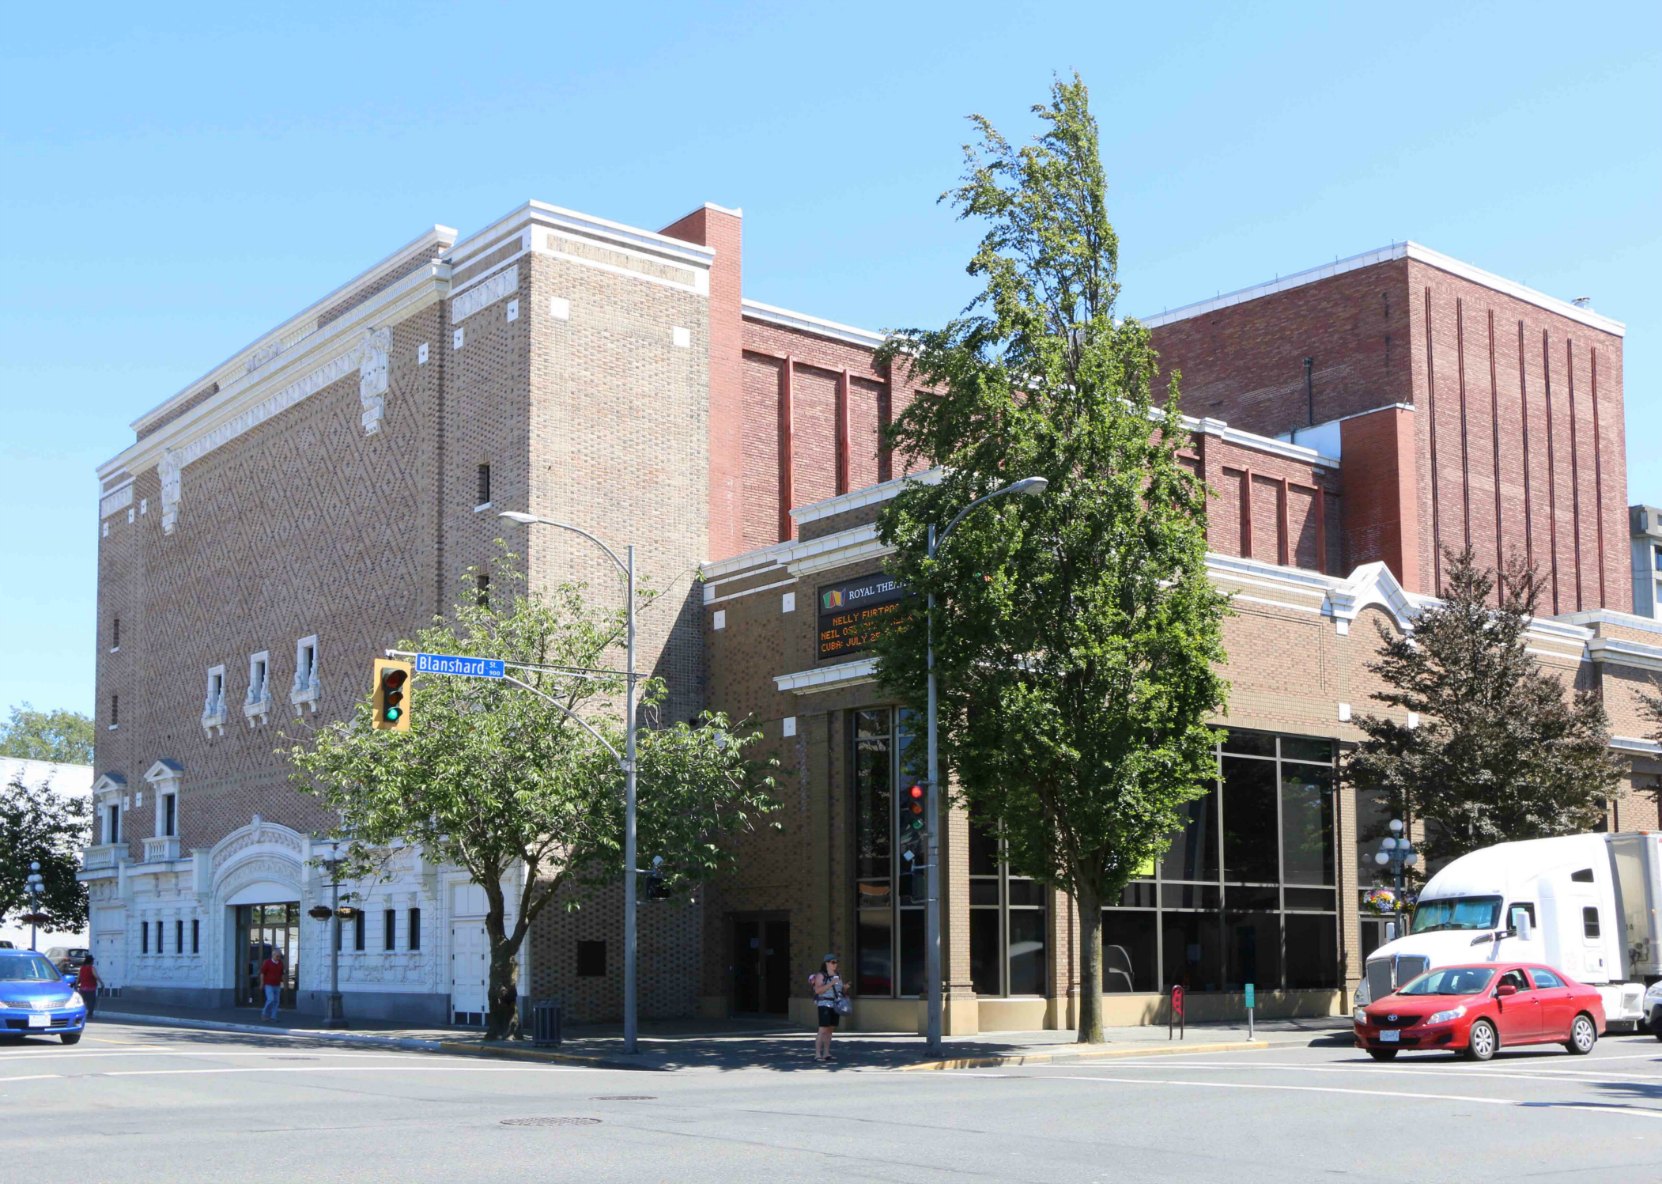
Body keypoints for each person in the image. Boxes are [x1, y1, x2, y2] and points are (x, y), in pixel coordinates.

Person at [809, 954, 848, 1063]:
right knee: (822, 1029)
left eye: (836, 962)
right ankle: (817, 1054)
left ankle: (826, 1053)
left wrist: (844, 988)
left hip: (835, 1004)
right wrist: (831, 983)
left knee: (830, 1029)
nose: (835, 964)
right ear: (826, 963)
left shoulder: (838, 975)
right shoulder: (821, 975)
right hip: (824, 1004)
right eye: (832, 962)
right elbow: (818, 990)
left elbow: (840, 990)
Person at [259, 948, 285, 1021]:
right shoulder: (267, 962)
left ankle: (273, 1016)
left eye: (279, 956)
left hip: (277, 984)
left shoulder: (280, 963)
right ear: (273, 955)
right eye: (277, 956)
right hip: (269, 984)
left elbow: (281, 974)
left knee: (276, 1001)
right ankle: (264, 1014)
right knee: (271, 999)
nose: (278, 958)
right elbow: (262, 973)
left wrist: (284, 983)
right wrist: (262, 983)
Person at [74, 955, 103, 1020]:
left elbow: (79, 977)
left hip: (83, 988)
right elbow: (96, 976)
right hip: (91, 988)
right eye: (92, 960)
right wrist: (101, 983)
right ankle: (90, 1013)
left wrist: (76, 984)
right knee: (91, 1001)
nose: (93, 961)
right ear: (90, 961)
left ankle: (82, 1013)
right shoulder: (92, 968)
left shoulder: (82, 968)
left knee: (83, 1001)